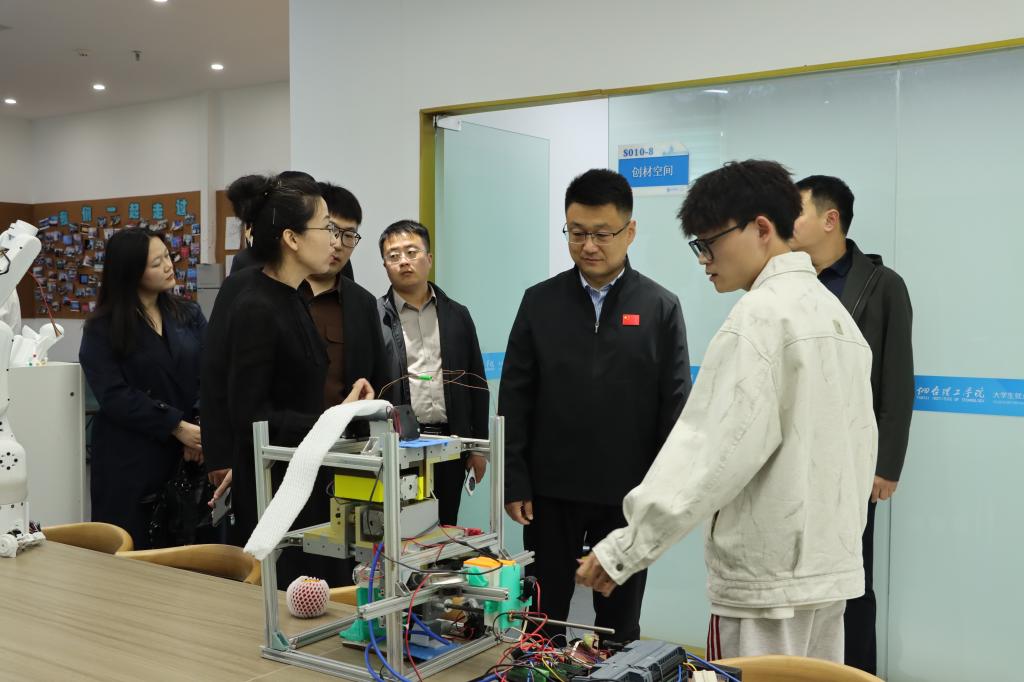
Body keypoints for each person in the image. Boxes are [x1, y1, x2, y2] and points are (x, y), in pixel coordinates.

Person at [576, 160, 877, 663]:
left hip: (765, 584)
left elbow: (710, 453)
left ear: (761, 228)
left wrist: (625, 549)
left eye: (709, 243)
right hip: (829, 574)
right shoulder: (835, 317)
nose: (704, 259)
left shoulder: (758, 318)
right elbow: (860, 447)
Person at [500, 169, 691, 642]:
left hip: (627, 494)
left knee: (618, 625)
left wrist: (661, 495)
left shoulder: (660, 307)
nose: (588, 246)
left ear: (630, 231)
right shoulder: (539, 302)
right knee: (543, 617)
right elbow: (516, 397)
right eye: (576, 232)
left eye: (602, 234)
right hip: (550, 492)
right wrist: (515, 479)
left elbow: (674, 409)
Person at [211, 173, 373, 588]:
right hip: (276, 494)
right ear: (292, 238)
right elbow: (251, 416)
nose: (336, 241)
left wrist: (345, 410)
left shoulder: (292, 296)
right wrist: (333, 419)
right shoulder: (256, 304)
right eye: (326, 228)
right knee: (284, 601)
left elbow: (297, 394)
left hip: (305, 478)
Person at [791, 174, 914, 674]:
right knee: (796, 580)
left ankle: (857, 673)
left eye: (796, 212)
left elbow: (897, 379)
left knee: (853, 581)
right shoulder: (787, 279)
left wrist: (886, 464)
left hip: (853, 459)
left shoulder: (882, 286)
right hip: (794, 455)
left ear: (830, 219)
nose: (786, 222)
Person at [79, 227, 206, 549]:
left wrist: (198, 426)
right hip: (130, 458)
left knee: (188, 549)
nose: (169, 266)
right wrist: (176, 426)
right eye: (156, 263)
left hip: (189, 455)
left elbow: (211, 371)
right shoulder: (102, 327)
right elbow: (113, 394)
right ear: (131, 272)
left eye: (168, 257)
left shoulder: (188, 313)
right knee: (130, 549)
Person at [377, 220, 488, 526]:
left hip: (450, 446)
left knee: (446, 530)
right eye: (394, 255)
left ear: (428, 258)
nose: (404, 261)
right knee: (401, 532)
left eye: (411, 252)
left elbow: (477, 383)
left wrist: (478, 448)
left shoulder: (457, 314)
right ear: (385, 265)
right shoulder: (373, 317)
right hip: (398, 449)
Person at [304, 182, 390, 413]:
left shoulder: (363, 304)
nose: (338, 244)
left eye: (349, 235)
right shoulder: (280, 291)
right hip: (282, 434)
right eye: (331, 230)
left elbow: (379, 379)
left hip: (347, 432)